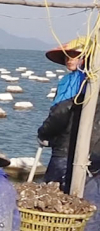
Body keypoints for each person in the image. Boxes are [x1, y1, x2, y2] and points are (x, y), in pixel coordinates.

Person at [38, 37, 89, 191]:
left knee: (54, 190)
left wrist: (44, 132)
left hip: (66, 146)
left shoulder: (83, 80)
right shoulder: (67, 80)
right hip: (75, 145)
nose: (69, 60)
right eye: (67, 56)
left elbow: (60, 112)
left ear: (85, 58)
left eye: (74, 56)